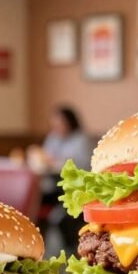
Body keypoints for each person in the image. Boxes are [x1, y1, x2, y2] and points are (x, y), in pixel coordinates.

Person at [29, 105, 93, 254]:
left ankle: (69, 246)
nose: (57, 127)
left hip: (76, 187)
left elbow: (82, 166)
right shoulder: (53, 137)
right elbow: (44, 158)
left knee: (63, 210)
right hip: (53, 183)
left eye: (60, 123)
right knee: (38, 198)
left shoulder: (82, 140)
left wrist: (54, 161)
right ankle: (36, 242)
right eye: (54, 124)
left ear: (70, 122)